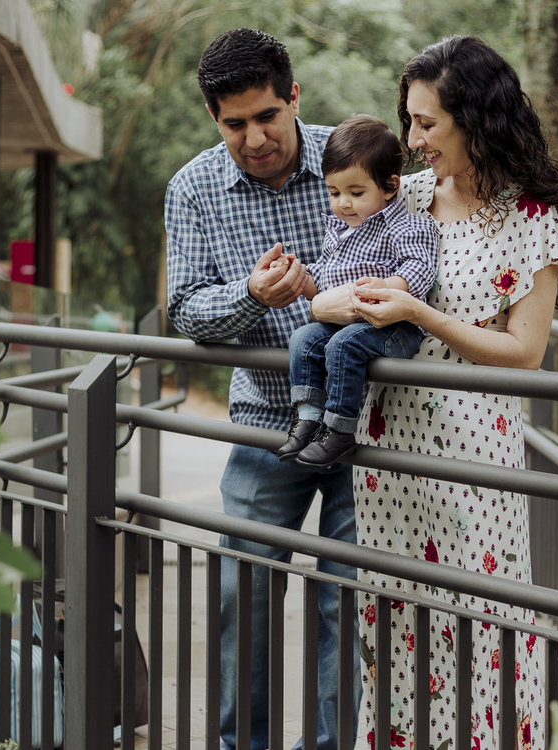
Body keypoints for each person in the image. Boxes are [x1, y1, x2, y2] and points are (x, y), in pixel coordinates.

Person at [311, 36, 558, 750]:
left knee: (479, 633)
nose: (413, 139)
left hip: (471, 459)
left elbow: (525, 352)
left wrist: (421, 315)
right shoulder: (402, 196)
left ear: (477, 118)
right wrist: (328, 302)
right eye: (409, 120)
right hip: (389, 453)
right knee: (396, 631)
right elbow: (343, 275)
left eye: (428, 123)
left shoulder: (528, 218)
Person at [164, 28, 361, 750]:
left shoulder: (354, 155)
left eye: (267, 117)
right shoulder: (191, 188)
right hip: (263, 420)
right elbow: (184, 307)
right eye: (234, 123)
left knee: (349, 600)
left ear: (294, 98)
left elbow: (412, 262)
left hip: (357, 418)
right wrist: (251, 294)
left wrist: (330, 294)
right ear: (215, 118)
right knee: (238, 594)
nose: (253, 138)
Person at [274, 114, 439, 468]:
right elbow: (324, 277)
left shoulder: (407, 226)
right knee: (303, 338)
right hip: (348, 323)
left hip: (394, 327)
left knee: (343, 344)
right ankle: (308, 417)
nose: (343, 203)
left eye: (355, 192)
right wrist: (297, 276)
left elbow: (420, 268)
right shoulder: (340, 228)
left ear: (390, 186)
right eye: (334, 193)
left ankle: (339, 430)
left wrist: (389, 288)